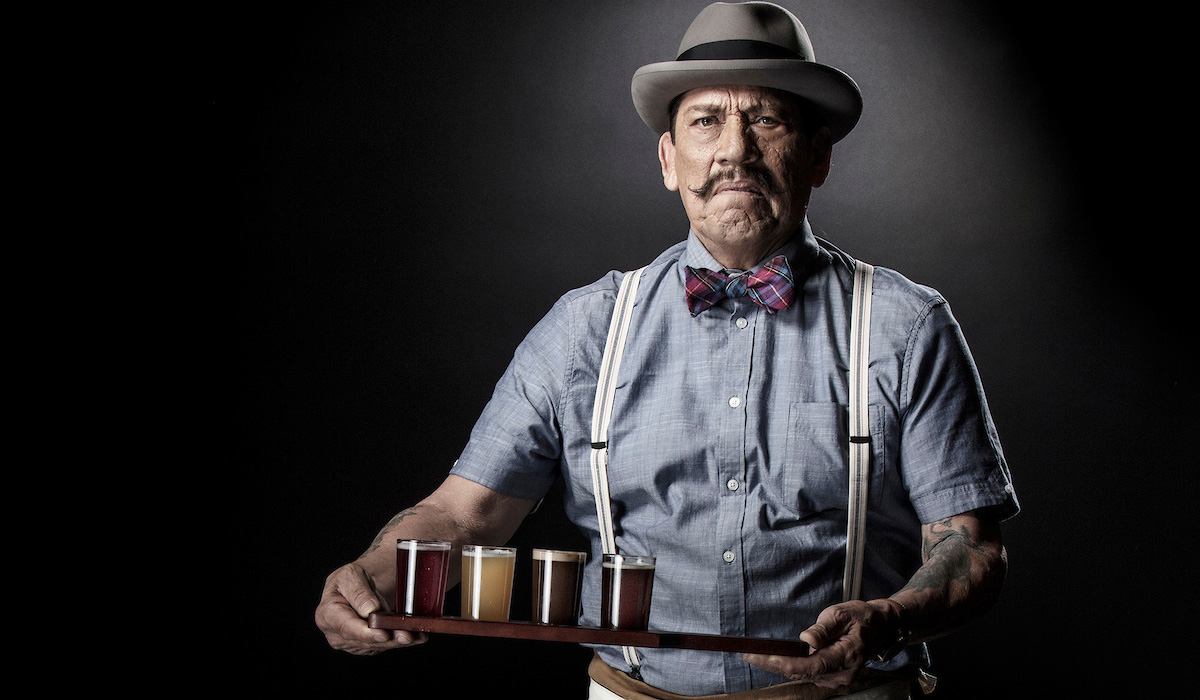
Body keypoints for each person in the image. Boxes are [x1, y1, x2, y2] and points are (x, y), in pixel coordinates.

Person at [315, 3, 1019, 698]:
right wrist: (372, 576)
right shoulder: (583, 329)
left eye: (766, 120)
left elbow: (970, 547)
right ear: (668, 159)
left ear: (819, 157)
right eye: (706, 121)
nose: (735, 150)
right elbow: (466, 516)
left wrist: (891, 619)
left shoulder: (907, 325)